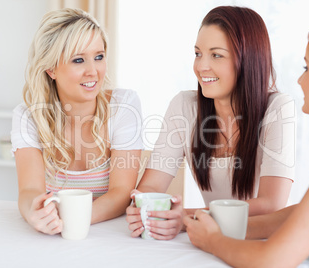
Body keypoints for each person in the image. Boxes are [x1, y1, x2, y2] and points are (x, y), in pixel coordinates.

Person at [184, 16, 309, 267]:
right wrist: (204, 221)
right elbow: (294, 216)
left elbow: (271, 260)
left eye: (307, 68)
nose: (300, 80)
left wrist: (212, 239)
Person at [126, 6, 295, 240]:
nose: (201, 66)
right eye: (198, 53)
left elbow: (271, 205)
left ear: (248, 60)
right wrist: (142, 206)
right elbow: (152, 186)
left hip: (262, 242)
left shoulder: (278, 108)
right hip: (211, 241)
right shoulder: (184, 106)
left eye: (216, 55)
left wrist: (186, 217)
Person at [11, 8, 143, 235]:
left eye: (99, 57)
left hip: (110, 236)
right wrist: (34, 214)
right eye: (79, 60)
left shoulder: (124, 106)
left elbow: (121, 191)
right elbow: (29, 191)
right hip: (55, 239)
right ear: (51, 69)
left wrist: (74, 220)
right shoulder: (29, 117)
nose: (93, 71)